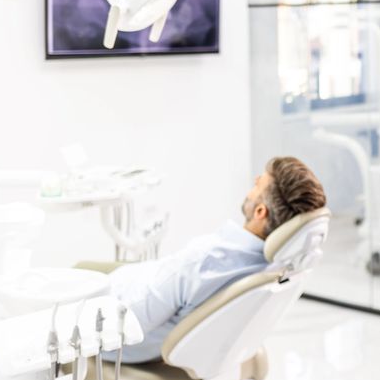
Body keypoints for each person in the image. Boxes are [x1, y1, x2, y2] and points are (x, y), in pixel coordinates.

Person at [106, 156, 326, 363]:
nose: (255, 180)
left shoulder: (204, 261)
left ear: (260, 212)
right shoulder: (275, 267)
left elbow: (127, 326)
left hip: (112, 324)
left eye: (260, 183)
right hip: (135, 286)